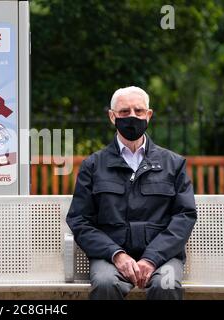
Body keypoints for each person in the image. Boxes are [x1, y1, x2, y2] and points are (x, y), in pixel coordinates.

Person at [66, 86, 197, 300]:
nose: (132, 117)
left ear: (149, 115)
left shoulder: (173, 163)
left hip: (162, 257)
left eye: (139, 111)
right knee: (105, 284)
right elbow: (80, 220)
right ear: (112, 116)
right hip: (110, 257)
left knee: (166, 285)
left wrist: (152, 258)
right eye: (124, 112)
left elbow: (185, 216)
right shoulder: (93, 165)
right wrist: (117, 255)